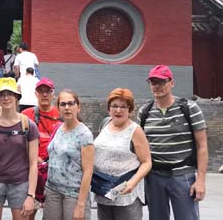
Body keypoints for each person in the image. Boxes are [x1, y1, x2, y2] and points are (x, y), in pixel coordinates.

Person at [138, 65, 208, 220]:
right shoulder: (145, 112)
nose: (157, 86)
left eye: (162, 82)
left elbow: (202, 146)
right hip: (154, 176)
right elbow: (140, 147)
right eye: (153, 82)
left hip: (182, 175)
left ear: (172, 83)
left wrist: (201, 181)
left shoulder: (189, 108)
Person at [0, 77, 39, 220]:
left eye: (10, 94)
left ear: (16, 96)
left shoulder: (28, 125)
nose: (6, 98)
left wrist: (31, 195)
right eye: (2, 94)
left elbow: (33, 163)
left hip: (20, 182)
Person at [93, 88, 151, 220]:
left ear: (129, 110)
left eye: (123, 107)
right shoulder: (105, 124)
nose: (118, 110)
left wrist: (132, 183)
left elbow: (147, 162)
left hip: (125, 191)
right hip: (104, 190)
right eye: (114, 106)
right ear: (109, 108)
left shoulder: (135, 131)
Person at [43, 90, 94, 220]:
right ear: (58, 108)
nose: (67, 108)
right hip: (52, 190)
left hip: (73, 193)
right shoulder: (58, 128)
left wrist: (81, 204)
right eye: (63, 104)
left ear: (78, 107)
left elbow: (88, 171)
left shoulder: (84, 134)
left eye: (71, 104)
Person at [21, 77, 61, 219]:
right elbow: (19, 142)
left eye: (47, 91)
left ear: (53, 93)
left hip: (54, 173)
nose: (44, 95)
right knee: (28, 212)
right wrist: (33, 157)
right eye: (41, 91)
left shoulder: (61, 115)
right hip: (33, 171)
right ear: (36, 93)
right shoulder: (26, 115)